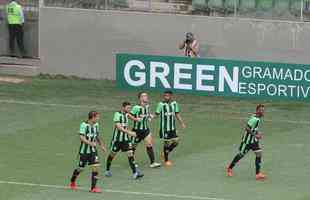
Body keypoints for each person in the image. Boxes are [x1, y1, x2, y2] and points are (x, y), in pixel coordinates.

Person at [69, 111, 107, 193]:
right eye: (97, 117)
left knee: (95, 167)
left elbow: (97, 136)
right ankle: (72, 181)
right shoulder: (84, 125)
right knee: (80, 169)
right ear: (92, 117)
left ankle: (93, 188)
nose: (98, 119)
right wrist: (91, 143)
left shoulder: (96, 125)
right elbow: (81, 137)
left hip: (93, 151)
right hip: (84, 152)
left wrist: (102, 146)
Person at [104, 101, 144, 179]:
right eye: (128, 108)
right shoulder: (117, 114)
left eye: (130, 108)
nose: (129, 109)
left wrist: (138, 119)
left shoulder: (126, 114)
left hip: (125, 140)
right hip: (117, 140)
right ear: (123, 107)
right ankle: (107, 170)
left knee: (130, 153)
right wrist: (129, 132)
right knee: (112, 154)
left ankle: (135, 173)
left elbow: (133, 118)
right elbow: (119, 127)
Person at [226, 104, 266, 180]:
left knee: (259, 154)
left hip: (254, 141)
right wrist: (256, 135)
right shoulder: (254, 119)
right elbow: (247, 128)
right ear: (257, 111)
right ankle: (230, 168)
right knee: (241, 155)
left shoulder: (257, 117)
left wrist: (257, 133)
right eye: (261, 110)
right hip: (247, 141)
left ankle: (258, 174)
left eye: (263, 110)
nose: (263, 111)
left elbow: (253, 127)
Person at [128, 92, 161, 168]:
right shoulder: (136, 108)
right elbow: (129, 115)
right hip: (137, 131)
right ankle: (132, 162)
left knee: (149, 144)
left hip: (146, 130)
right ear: (140, 98)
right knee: (133, 147)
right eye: (143, 96)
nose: (146, 97)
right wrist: (136, 119)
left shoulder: (147, 106)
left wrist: (150, 116)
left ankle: (152, 163)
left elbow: (148, 114)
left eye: (146, 96)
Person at [155, 90, 186, 167]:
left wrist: (182, 123)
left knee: (176, 142)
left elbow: (177, 114)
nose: (166, 97)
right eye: (165, 96)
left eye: (168, 96)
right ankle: (166, 160)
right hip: (164, 128)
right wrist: (149, 117)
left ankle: (165, 152)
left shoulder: (174, 104)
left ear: (171, 96)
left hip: (172, 128)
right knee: (166, 143)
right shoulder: (161, 104)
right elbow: (156, 114)